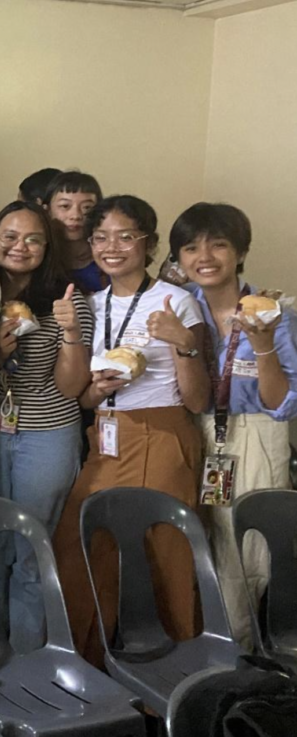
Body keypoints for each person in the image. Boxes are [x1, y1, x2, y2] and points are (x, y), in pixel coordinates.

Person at [52, 195, 210, 667]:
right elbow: (79, 395)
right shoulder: (87, 305)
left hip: (163, 436)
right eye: (101, 237)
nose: (111, 246)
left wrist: (184, 345)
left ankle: (174, 680)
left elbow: (199, 399)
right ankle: (84, 670)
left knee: (167, 555)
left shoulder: (177, 301)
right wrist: (96, 391)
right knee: (79, 546)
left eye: (125, 236)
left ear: (148, 242)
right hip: (106, 436)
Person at [0, 201, 93, 652]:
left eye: (33, 239)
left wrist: (72, 332)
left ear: (48, 246)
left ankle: (27, 655)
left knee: (32, 545)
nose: (20, 247)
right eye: (10, 237)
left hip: (48, 432)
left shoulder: (68, 297)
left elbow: (72, 386)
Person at [172, 202, 297, 648]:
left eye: (218, 244)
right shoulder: (178, 311)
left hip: (256, 434)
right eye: (190, 247)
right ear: (178, 259)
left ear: (240, 253)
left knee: (245, 554)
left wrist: (263, 347)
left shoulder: (275, 312)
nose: (204, 256)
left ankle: (234, 661)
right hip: (193, 432)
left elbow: (282, 404)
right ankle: (194, 652)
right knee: (192, 548)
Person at [43, 171, 104, 294]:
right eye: (65, 206)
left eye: (87, 207)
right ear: (47, 210)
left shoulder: (108, 256)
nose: (76, 216)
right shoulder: (39, 257)